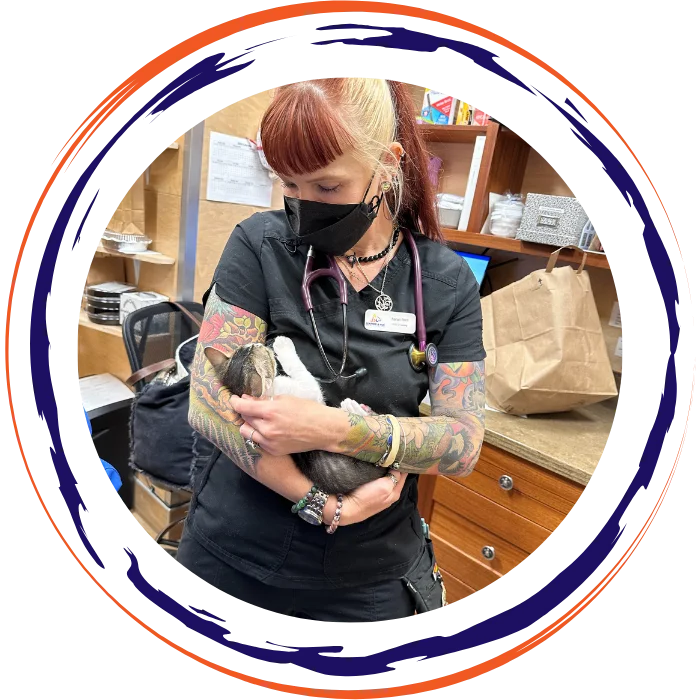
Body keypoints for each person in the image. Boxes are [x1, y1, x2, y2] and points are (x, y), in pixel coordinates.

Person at [177, 78, 486, 623]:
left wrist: (331, 429)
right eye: (288, 186)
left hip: (368, 576)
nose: (302, 207)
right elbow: (206, 406)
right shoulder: (260, 246)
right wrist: (320, 503)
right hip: (234, 556)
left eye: (325, 187)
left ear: (386, 165)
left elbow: (462, 444)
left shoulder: (445, 281)